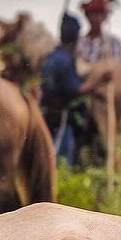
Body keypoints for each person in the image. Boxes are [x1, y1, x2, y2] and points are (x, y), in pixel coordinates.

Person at [38, 13, 86, 165]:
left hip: (45, 115)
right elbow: (74, 90)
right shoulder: (66, 59)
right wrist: (98, 82)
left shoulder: (49, 57)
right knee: (61, 160)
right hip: (61, 119)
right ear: (76, 37)